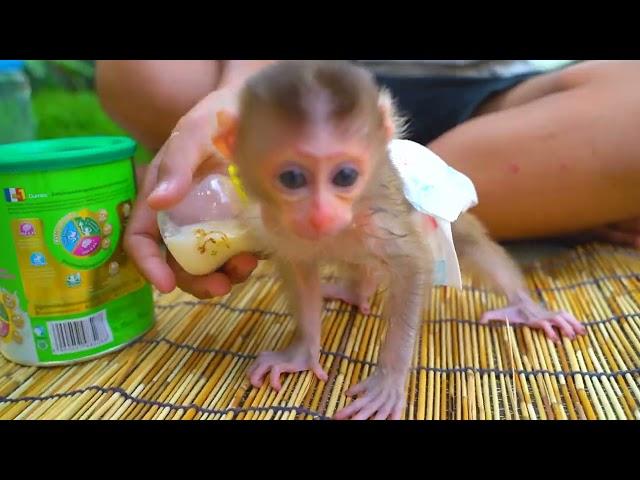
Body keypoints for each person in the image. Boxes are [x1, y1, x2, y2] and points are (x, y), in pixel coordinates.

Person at [96, 60, 640, 299]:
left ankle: (414, 191)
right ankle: (556, 200)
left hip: (510, 91)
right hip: (309, 91)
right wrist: (246, 90)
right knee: (137, 67)